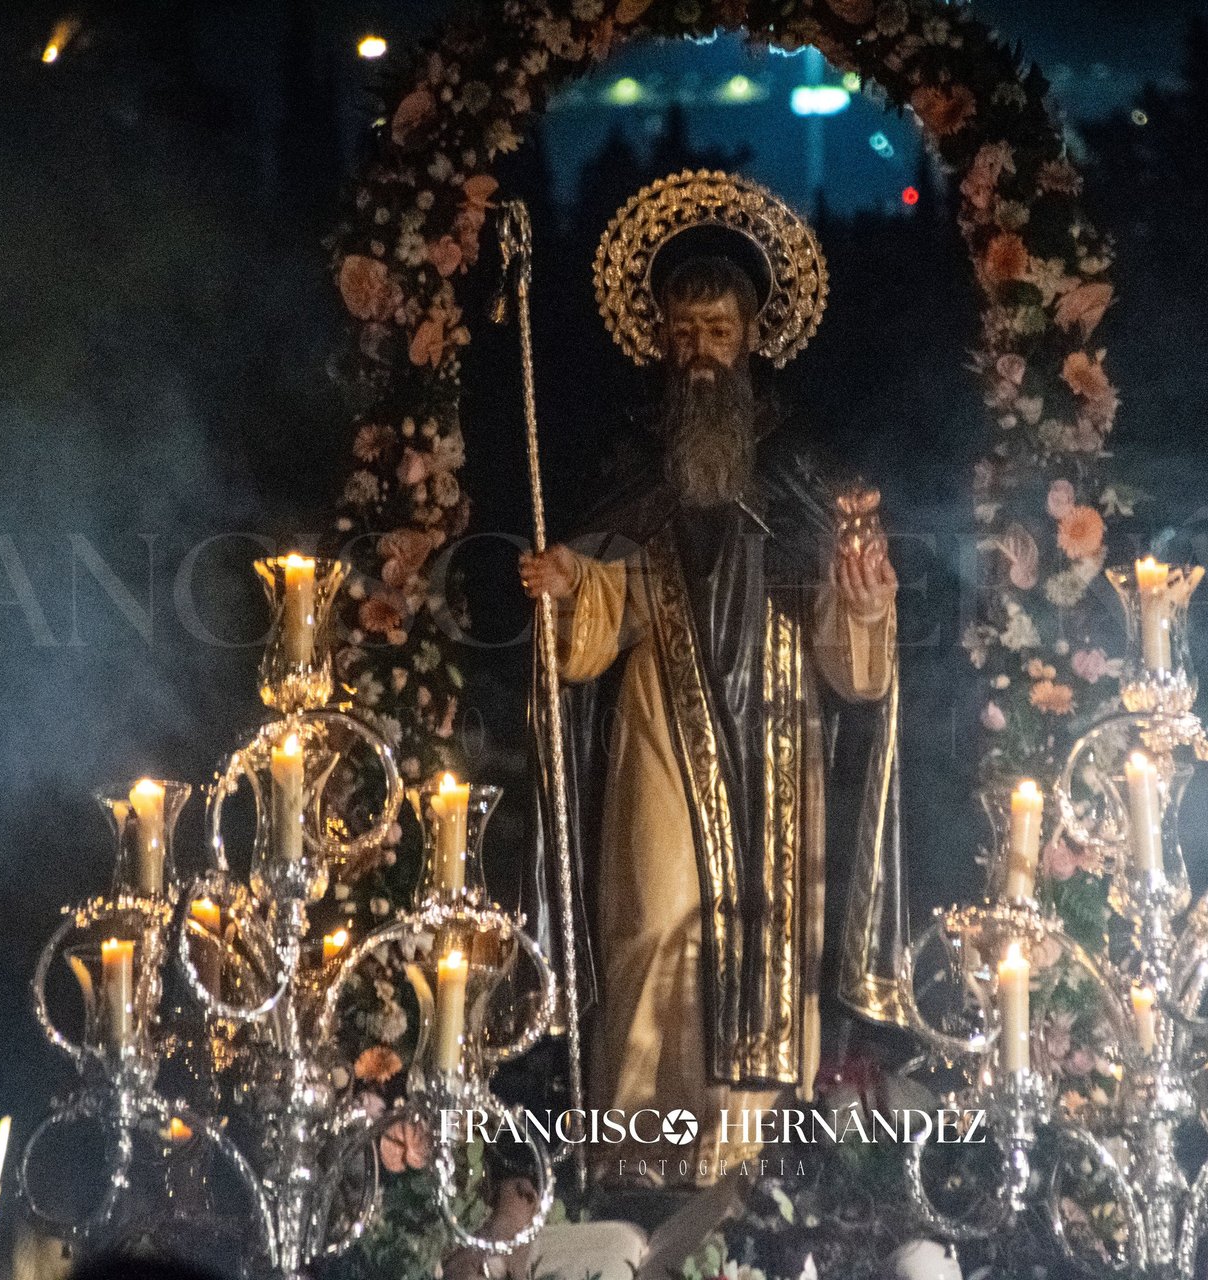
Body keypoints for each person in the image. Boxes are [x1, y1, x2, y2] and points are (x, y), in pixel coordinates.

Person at [521, 200, 907, 1186]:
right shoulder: (627, 458)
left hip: (775, 728)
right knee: (652, 925)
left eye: (718, 331)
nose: (699, 350)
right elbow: (607, 595)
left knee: (762, 935)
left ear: (753, 338)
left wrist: (858, 600)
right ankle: (642, 1157)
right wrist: (573, 586)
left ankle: (750, 1155)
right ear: (656, 336)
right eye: (683, 331)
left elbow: (849, 650)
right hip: (662, 713)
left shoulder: (800, 467)